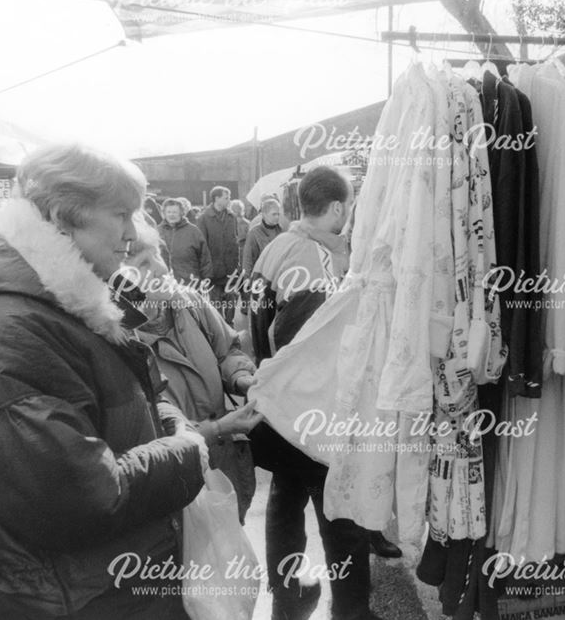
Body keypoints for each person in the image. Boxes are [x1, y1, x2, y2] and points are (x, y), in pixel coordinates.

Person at [0, 144, 207, 619]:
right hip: (77, 599)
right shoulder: (9, 331)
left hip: (101, 585)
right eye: (121, 214)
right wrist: (189, 451)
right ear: (61, 217)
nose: (130, 232)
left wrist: (168, 421)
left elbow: (132, 400)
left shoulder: (59, 306)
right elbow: (84, 499)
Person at [249, 166, 385, 620]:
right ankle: (350, 610)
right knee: (340, 514)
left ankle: (287, 600)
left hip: (275, 407)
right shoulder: (318, 259)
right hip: (313, 409)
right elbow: (306, 341)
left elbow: (257, 325)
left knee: (285, 505)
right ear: (336, 208)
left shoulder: (275, 247)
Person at [122, 221, 263, 522]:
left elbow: (226, 351)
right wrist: (219, 429)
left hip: (225, 462)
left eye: (158, 255)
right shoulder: (122, 340)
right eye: (144, 264)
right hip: (180, 477)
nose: (161, 269)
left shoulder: (192, 302)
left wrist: (241, 378)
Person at [197, 186, 240, 324]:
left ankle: (230, 328)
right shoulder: (204, 218)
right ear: (217, 198)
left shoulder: (232, 217)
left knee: (231, 302)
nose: (229, 200)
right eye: (226, 197)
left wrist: (237, 266)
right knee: (216, 306)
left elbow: (235, 242)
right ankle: (221, 331)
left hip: (230, 270)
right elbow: (202, 247)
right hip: (213, 271)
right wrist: (205, 270)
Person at [159, 197, 212, 285]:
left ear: (181, 213)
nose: (172, 215)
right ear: (164, 213)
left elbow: (204, 257)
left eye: (175, 212)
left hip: (190, 282)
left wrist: (206, 279)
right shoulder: (157, 231)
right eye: (169, 212)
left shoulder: (193, 231)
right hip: (165, 284)